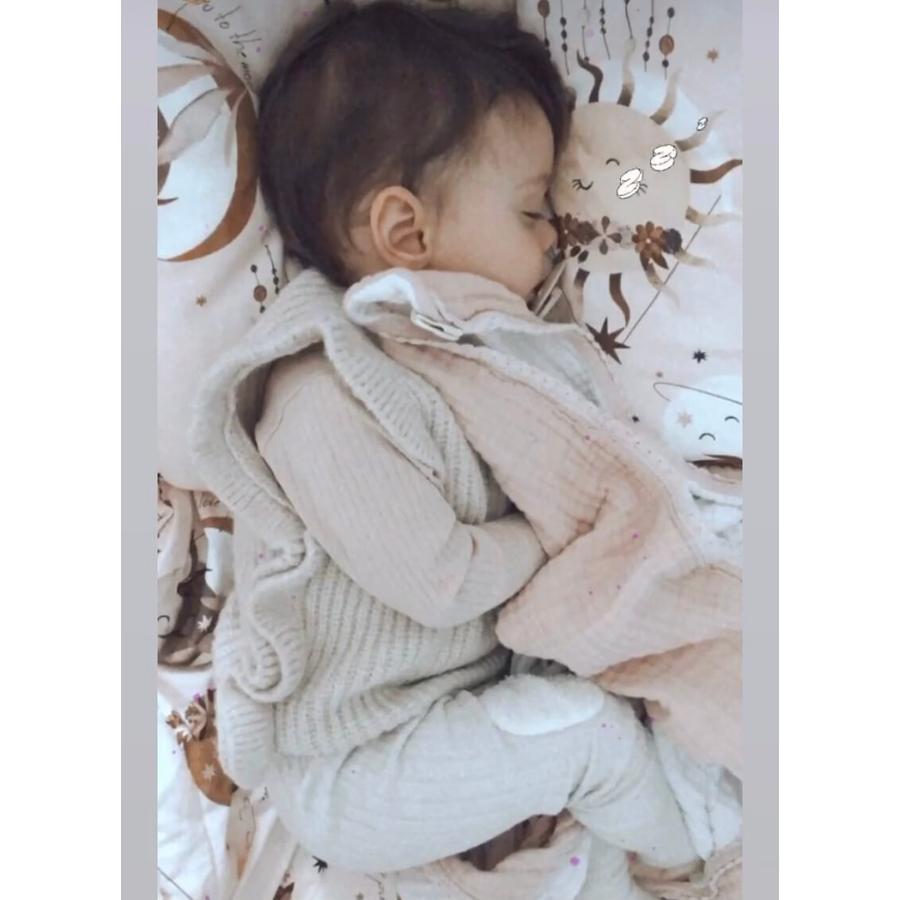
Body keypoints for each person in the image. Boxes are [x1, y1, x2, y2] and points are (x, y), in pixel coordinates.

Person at [191, 3, 697, 896]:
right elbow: (442, 581)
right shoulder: (319, 398)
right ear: (407, 233)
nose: (554, 237)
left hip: (442, 715)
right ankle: (702, 868)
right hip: (355, 768)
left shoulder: (453, 360)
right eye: (532, 210)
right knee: (592, 739)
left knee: (581, 818)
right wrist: (560, 538)